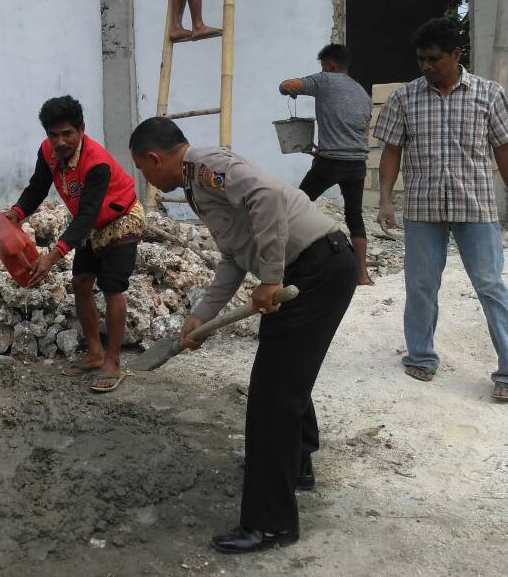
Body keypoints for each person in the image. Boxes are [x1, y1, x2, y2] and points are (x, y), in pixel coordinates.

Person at [129, 117, 357, 553]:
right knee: (286, 379)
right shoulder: (198, 185)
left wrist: (270, 277)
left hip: (314, 271)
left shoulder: (206, 165)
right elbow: (234, 258)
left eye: (143, 169)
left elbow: (268, 196)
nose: (148, 178)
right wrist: (201, 316)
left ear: (155, 159)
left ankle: (271, 524)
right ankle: (297, 465)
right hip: (311, 269)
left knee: (271, 397)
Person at [373, 17, 508, 402]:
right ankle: (422, 356)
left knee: (491, 286)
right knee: (422, 285)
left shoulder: (488, 94)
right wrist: (384, 200)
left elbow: (505, 149)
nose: (426, 67)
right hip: (423, 209)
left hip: (476, 208)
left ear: (456, 55)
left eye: (433, 59)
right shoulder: (405, 98)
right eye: (421, 60)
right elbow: (391, 151)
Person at [7, 96, 145, 393]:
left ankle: (113, 361)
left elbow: (86, 215)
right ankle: (95, 354)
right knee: (81, 281)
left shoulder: (97, 163)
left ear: (82, 129)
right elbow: (37, 187)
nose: (60, 142)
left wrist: (53, 256)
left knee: (112, 286)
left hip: (121, 219)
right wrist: (16, 213)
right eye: (53, 134)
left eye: (67, 133)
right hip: (91, 224)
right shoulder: (48, 152)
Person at [279, 44, 374, 285]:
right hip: (357, 164)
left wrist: (288, 92)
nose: (322, 70)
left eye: (323, 66)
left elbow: (286, 85)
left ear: (330, 66)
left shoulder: (325, 80)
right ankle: (363, 274)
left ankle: (281, 262)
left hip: (331, 163)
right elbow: (363, 130)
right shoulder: (361, 92)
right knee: (354, 216)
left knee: (295, 204)